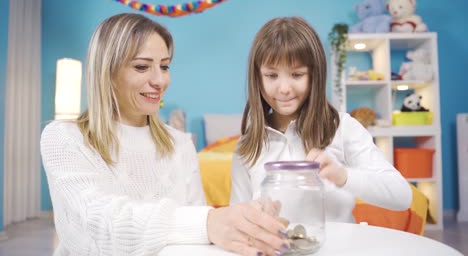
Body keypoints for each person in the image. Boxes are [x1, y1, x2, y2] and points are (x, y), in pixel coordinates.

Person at [40, 13, 289, 256]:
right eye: (141, 67)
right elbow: (97, 224)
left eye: (165, 66)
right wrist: (206, 223)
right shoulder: (65, 138)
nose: (160, 80)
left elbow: (195, 245)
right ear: (108, 71)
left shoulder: (180, 144)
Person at [230, 16, 412, 223]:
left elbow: (402, 196)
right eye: (271, 76)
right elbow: (237, 215)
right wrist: (252, 215)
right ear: (258, 77)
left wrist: (343, 176)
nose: (284, 88)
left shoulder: (342, 128)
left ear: (314, 75)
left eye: (297, 74)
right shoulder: (247, 145)